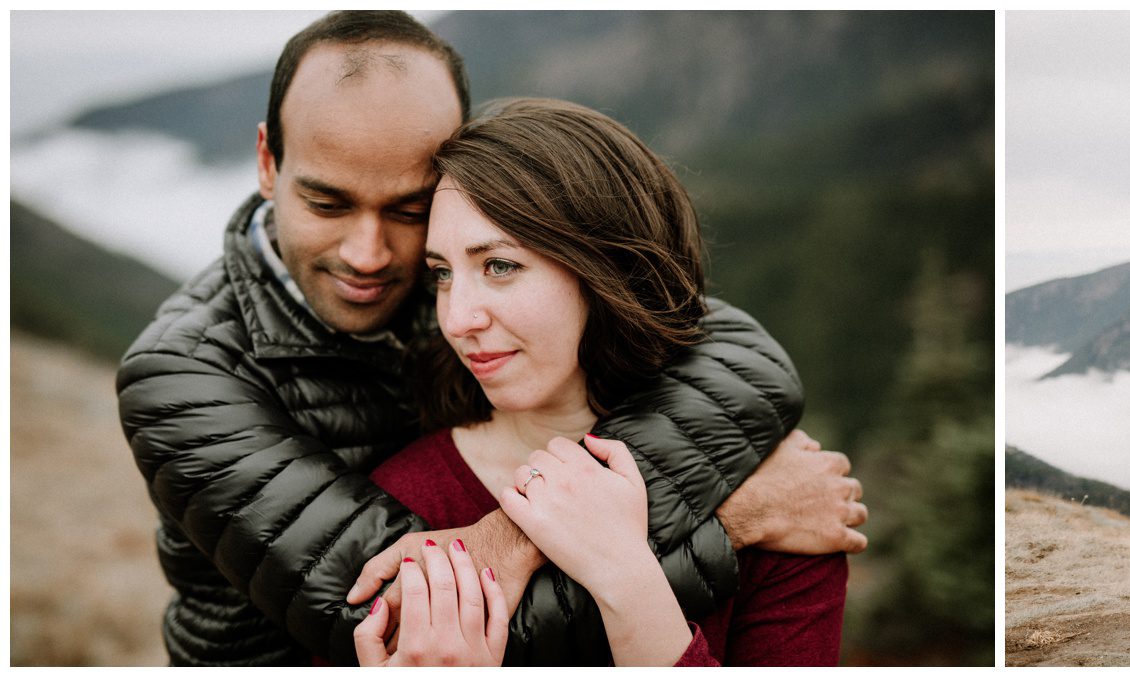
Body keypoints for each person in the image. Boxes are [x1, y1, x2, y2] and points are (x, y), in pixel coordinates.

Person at [117, 11, 863, 666]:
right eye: (327, 201)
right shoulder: (181, 376)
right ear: (267, 161)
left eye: (409, 209)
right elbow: (418, 625)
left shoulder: (442, 269)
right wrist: (734, 521)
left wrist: (528, 530)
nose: (371, 254)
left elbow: (734, 353)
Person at [353, 98, 848, 666]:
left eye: (499, 265)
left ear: (605, 267)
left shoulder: (781, 494)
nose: (458, 318)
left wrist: (628, 581)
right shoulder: (403, 503)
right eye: (442, 273)